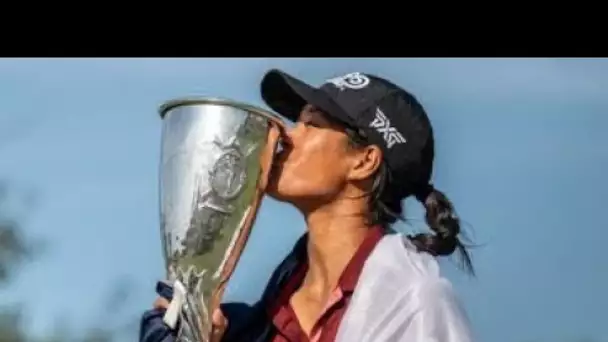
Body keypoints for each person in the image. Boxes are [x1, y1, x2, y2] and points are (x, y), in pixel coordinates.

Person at [140, 69, 475, 342]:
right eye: (297, 122)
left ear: (364, 161)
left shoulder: (415, 303)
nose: (286, 136)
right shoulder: (263, 316)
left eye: (312, 124)